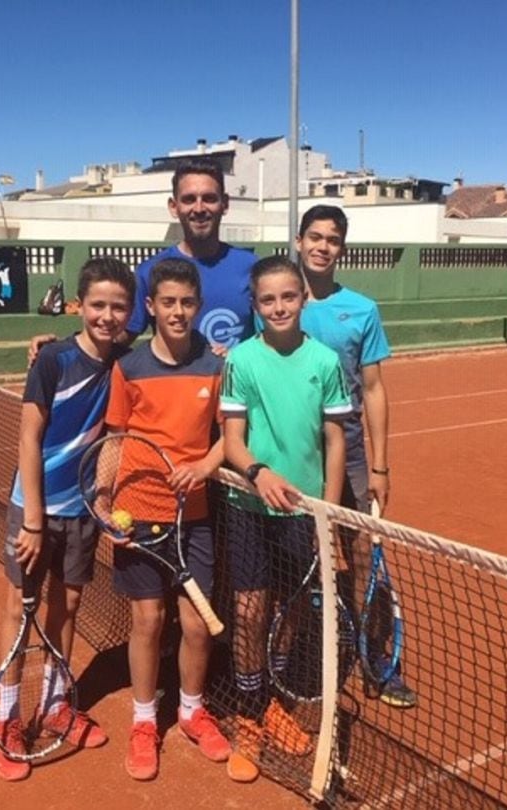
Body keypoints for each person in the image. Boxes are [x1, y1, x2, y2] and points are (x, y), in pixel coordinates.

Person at [0, 257, 136, 781]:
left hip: (82, 512)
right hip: (32, 510)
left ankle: (55, 704)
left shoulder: (126, 358)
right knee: (19, 608)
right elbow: (28, 438)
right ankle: (7, 716)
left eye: (118, 307)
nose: (107, 316)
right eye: (97, 305)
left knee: (68, 607)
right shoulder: (52, 361)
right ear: (79, 305)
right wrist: (33, 518)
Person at [103, 258, 236, 782]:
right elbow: (116, 439)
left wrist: (206, 464)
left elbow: (232, 433)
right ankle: (142, 720)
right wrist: (101, 495)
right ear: (151, 308)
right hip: (137, 511)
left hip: (194, 515)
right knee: (148, 622)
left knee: (197, 623)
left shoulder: (216, 363)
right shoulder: (129, 368)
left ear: (198, 307)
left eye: (187, 302)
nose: (178, 312)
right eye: (168, 303)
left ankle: (191, 710)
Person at [220, 255, 352, 781]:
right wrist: (259, 473)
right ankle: (250, 713)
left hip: (304, 513)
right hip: (248, 507)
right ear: (255, 305)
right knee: (250, 611)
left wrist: (329, 514)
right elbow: (231, 440)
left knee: (293, 611)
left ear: (302, 299)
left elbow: (335, 441)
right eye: (268, 299)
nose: (278, 306)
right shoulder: (242, 361)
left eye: (288, 297)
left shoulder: (324, 361)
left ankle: (272, 699)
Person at [294, 204, 417, 708]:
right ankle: (301, 658)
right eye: (315, 237)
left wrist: (381, 466)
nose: (323, 246)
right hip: (290, 447)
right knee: (296, 557)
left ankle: (377, 663)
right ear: (299, 241)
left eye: (333, 239)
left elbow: (374, 388)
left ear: (342, 248)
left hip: (349, 451)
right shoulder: (272, 298)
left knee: (363, 555)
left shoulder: (361, 310)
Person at [27, 157, 257, 361]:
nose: (199, 208)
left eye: (209, 198)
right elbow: (115, 337)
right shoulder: (150, 271)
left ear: (225, 204)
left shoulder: (252, 268)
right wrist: (60, 348)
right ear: (173, 207)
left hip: (239, 402)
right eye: (189, 199)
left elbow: (274, 337)